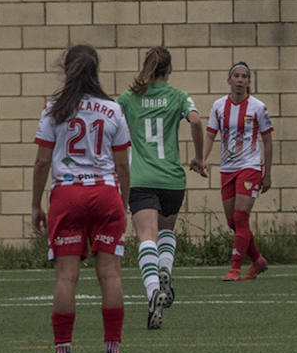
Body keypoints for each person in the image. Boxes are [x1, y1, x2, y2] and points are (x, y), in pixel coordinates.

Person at [30, 44, 133, 353]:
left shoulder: (53, 110)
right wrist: (123, 204)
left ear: (67, 70)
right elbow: (123, 166)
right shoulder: (113, 110)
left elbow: (42, 161)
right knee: (110, 274)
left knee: (66, 277)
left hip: (67, 195)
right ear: (96, 71)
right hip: (105, 194)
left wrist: (35, 204)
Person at [117, 47, 207, 328]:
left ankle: (153, 289)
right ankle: (165, 269)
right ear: (169, 70)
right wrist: (199, 158)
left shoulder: (128, 99)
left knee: (146, 236)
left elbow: (110, 124)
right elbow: (195, 120)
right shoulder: (179, 96)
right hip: (171, 179)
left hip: (141, 179)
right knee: (166, 231)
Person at [202, 62, 274, 281]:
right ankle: (258, 260)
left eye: (245, 76)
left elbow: (268, 141)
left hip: (250, 167)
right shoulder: (218, 106)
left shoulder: (258, 107)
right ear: (229, 80)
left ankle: (234, 268)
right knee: (232, 222)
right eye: (237, 76)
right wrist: (203, 159)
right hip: (227, 169)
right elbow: (210, 134)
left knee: (241, 218)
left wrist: (267, 173)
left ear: (248, 82)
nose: (241, 80)